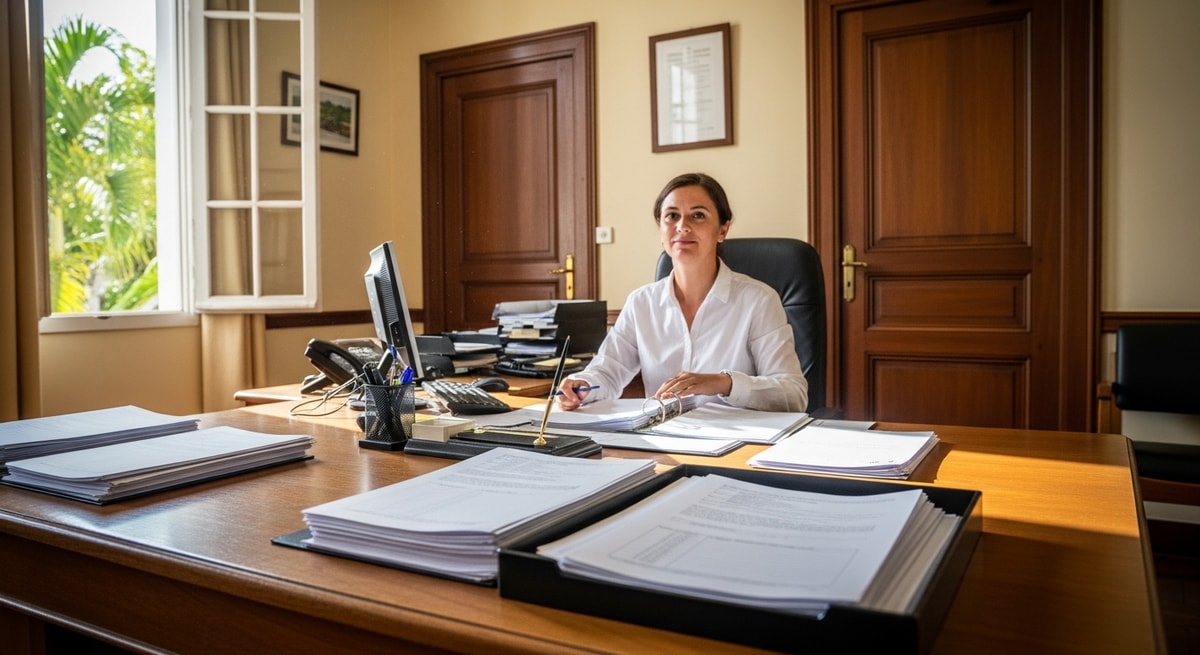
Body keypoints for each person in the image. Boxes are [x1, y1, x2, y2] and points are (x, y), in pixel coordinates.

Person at [557, 173, 808, 412]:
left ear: (723, 230)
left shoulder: (758, 301)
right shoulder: (641, 303)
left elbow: (794, 395)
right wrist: (583, 386)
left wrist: (724, 383)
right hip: (663, 441)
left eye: (698, 215)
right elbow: (608, 373)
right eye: (672, 216)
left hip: (739, 444)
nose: (682, 226)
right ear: (660, 228)